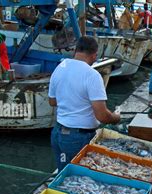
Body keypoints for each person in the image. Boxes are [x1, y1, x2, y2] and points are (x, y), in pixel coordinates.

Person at [49, 36, 120, 171]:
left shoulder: (60, 68)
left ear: (76, 50)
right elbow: (102, 116)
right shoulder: (92, 75)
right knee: (78, 176)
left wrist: (71, 98)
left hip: (58, 133)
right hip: (77, 138)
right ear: (94, 55)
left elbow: (52, 101)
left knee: (64, 172)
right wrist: (116, 117)